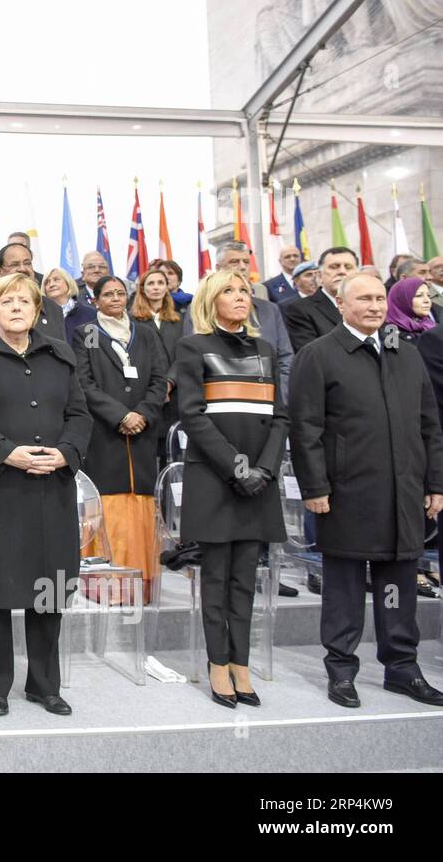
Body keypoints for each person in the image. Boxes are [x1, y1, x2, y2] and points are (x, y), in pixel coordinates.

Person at [289, 272, 443, 708]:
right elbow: (306, 429)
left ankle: (402, 668)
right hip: (346, 493)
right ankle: (341, 668)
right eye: (365, 299)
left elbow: (430, 426)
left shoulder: (405, 354)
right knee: (345, 585)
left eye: (380, 298)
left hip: (404, 493)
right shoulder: (318, 355)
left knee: (398, 583)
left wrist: (436, 483)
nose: (376, 306)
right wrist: (315, 486)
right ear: (342, 304)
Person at [0, 273, 91, 717]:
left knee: (47, 592)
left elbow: (80, 415)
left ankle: (44, 686)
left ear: (37, 311)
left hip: (51, 488)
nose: (15, 307)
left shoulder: (60, 356)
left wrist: (65, 454)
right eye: (6, 301)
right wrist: (6, 452)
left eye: (24, 302)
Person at [173, 269, 288, 709]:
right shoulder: (193, 346)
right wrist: (237, 469)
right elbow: (193, 415)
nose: (241, 297)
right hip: (217, 479)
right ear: (211, 300)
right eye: (230, 291)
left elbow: (281, 416)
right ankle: (217, 663)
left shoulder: (265, 349)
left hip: (259, 480)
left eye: (245, 291)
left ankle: (241, 662)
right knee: (217, 578)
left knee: (245, 581)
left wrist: (263, 469)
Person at [73, 274, 168, 604]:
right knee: (108, 500)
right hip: (105, 434)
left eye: (120, 293)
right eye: (108, 294)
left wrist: (142, 413)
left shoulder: (145, 333)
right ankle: (108, 584)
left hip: (142, 433)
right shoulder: (86, 334)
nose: (115, 298)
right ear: (95, 300)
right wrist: (120, 415)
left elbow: (160, 379)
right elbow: (83, 383)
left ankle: (141, 582)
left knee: (139, 501)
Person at [217, 241, 293, 399]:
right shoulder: (201, 309)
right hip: (222, 403)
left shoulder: (271, 310)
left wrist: (281, 396)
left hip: (270, 401)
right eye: (234, 262)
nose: (242, 266)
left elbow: (286, 357)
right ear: (218, 268)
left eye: (245, 261)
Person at [0, 243, 68, 344]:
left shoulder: (53, 308)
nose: (23, 269)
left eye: (27, 263)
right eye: (15, 264)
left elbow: (62, 354)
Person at [131, 266, 185, 467]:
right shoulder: (132, 320)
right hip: (146, 394)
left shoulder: (180, 320)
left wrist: (169, 383)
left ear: (167, 287)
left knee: (174, 454)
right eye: (150, 283)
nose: (156, 287)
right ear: (142, 289)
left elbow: (184, 355)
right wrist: (157, 387)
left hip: (176, 395)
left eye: (160, 283)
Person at [285, 246, 359, 352]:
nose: (342, 271)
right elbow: (311, 353)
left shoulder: (370, 306)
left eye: (348, 267)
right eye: (334, 267)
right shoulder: (300, 310)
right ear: (320, 275)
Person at [42, 266, 97, 341]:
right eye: (47, 282)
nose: (51, 285)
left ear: (68, 283)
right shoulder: (40, 317)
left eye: (56, 280)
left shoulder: (90, 313)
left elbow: (93, 345)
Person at [383, 276, 436, 348]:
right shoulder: (390, 332)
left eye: (428, 296)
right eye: (419, 295)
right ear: (401, 300)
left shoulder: (431, 326)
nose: (427, 301)